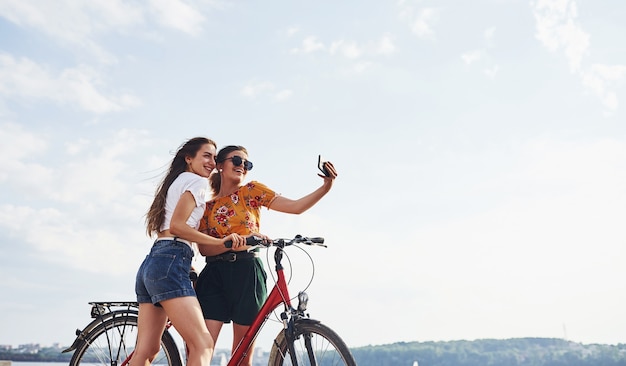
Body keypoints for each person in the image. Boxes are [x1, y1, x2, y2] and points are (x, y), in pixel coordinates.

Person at [195, 145, 338, 366]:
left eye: (246, 164)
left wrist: (326, 187)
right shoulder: (207, 207)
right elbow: (204, 249)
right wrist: (231, 243)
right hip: (214, 275)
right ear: (220, 165)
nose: (242, 166)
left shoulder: (251, 191)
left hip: (247, 273)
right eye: (236, 160)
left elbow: (296, 206)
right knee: (202, 350)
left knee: (242, 356)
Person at [132, 137, 247, 366]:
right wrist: (221, 242)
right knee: (202, 344)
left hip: (154, 263)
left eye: (214, 158)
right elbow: (178, 226)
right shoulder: (196, 181)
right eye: (206, 155)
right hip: (170, 261)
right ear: (188, 158)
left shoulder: (178, 181)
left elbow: (172, 229)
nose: (212, 162)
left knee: (146, 351)